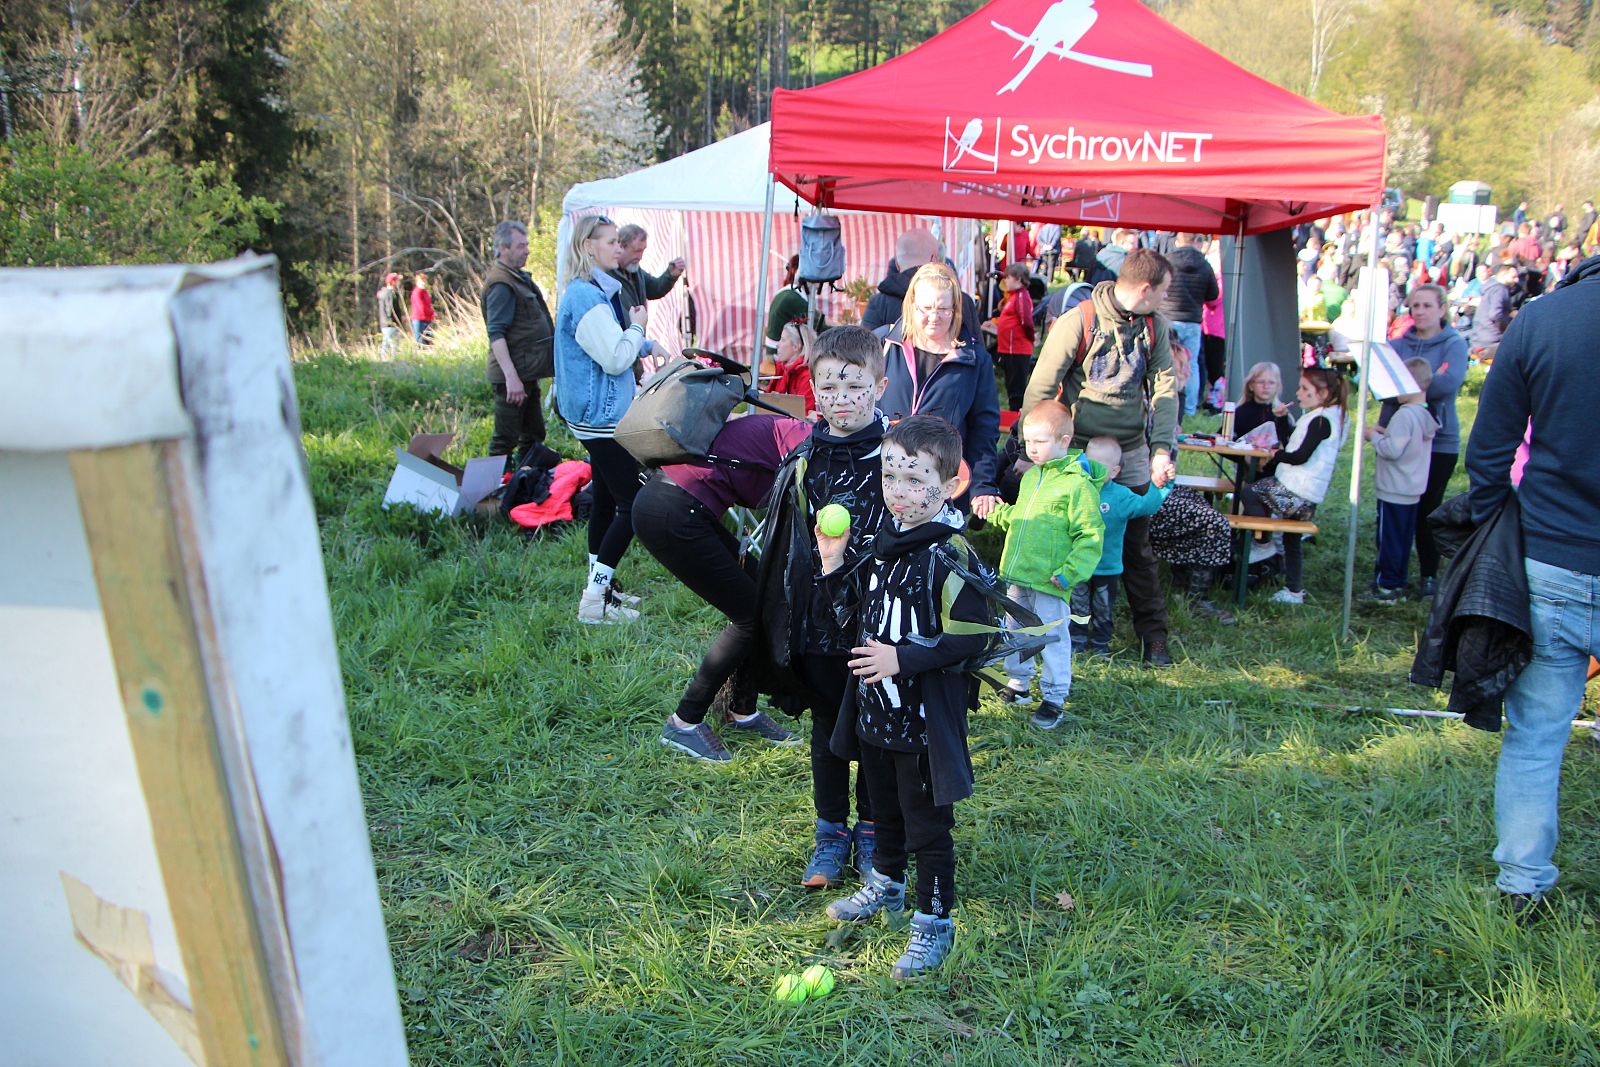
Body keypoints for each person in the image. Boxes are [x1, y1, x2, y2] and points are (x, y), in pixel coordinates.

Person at [816, 414, 985, 980]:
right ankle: (886, 884)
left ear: (950, 485)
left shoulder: (951, 554)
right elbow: (854, 618)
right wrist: (833, 563)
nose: (898, 490)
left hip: (922, 724)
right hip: (875, 714)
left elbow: (974, 637)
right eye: (890, 476)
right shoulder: (882, 542)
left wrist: (901, 659)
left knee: (927, 827)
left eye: (915, 479)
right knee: (882, 810)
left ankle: (934, 922)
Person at [1464, 250, 1600, 918]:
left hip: (1547, 553)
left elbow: (1488, 450)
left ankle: (1522, 882)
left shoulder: (1544, 319)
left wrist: (1499, 529)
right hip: (1551, 551)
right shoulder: (1543, 320)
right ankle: (1520, 879)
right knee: (1538, 730)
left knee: (1537, 735)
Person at [755, 326, 890, 889]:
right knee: (828, 727)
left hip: (876, 623)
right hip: (818, 623)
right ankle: (830, 833)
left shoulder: (895, 455)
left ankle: (874, 831)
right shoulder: (806, 458)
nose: (841, 399)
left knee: (877, 730)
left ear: (879, 386)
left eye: (854, 386)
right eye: (828, 387)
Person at [1019, 248, 1180, 666]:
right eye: (1164, 291)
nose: (1166, 299)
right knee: (1063, 542)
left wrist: (1162, 449)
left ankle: (1153, 636)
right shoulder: (1079, 320)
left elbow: (1164, 391)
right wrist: (1030, 449)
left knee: (1137, 548)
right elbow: (1041, 387)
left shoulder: (1154, 326)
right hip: (1078, 452)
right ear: (1145, 289)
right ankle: (1052, 633)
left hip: (1131, 452)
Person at [638, 410, 811, 761]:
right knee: (750, 616)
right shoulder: (805, 443)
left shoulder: (791, 429)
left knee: (761, 598)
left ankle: (740, 710)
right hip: (674, 512)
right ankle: (684, 722)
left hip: (679, 506)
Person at [983, 401, 1105, 729]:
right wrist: (997, 512)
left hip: (1051, 580)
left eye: (1040, 441)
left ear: (1064, 441)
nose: (1032, 449)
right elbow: (1024, 517)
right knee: (1015, 630)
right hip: (1019, 575)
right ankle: (1018, 683)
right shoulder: (1031, 477)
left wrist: (1070, 573)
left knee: (1052, 636)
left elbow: (1090, 536)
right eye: (1028, 442)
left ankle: (1054, 696)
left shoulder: (1077, 485)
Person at [553, 215, 648, 624]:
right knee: (633, 504)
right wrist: (639, 327)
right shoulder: (586, 297)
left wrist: (646, 341)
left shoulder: (589, 292)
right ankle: (594, 601)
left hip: (596, 417)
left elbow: (607, 343)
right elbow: (614, 358)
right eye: (611, 242)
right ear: (588, 246)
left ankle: (602, 590)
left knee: (607, 502)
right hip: (602, 420)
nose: (618, 248)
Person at [879, 263, 1003, 515]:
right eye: (926, 308)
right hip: (887, 477)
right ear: (911, 305)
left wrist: (983, 484)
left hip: (941, 482)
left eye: (943, 309)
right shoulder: (884, 344)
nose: (934, 317)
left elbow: (984, 427)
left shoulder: (974, 358)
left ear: (956, 309)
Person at [1385, 283, 1469, 597]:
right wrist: (1420, 384)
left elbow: (1448, 384)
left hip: (1439, 440)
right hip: (1399, 436)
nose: (1419, 311)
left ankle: (1429, 574)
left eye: (1427, 305)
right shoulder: (1397, 344)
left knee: (1428, 507)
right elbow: (1383, 386)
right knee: (1396, 505)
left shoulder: (1454, 344)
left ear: (1442, 309)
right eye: (1415, 305)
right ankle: (1392, 572)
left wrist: (1403, 387)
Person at [1239, 367, 1348, 605]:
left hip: (1297, 492)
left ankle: (1263, 543)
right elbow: (1292, 441)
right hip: (1307, 496)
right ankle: (1293, 591)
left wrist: (1276, 455)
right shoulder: (1326, 417)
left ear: (1322, 394)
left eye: (1304, 388)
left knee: (1250, 492)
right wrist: (1280, 419)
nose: (1298, 393)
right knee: (1291, 540)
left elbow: (1299, 456)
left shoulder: (1321, 421)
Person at [482, 220, 555, 470]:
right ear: (503, 248)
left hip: (526, 374)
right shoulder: (501, 284)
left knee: (533, 436)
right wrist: (511, 377)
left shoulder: (517, 278)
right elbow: (496, 334)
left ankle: (527, 484)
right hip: (512, 378)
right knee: (505, 440)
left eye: (527, 245)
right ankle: (492, 490)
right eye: (521, 246)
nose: (527, 250)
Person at [1363, 357, 1437, 601]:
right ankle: (1397, 581)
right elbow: (1407, 441)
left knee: (1389, 539)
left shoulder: (1404, 416)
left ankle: (1387, 587)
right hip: (1411, 488)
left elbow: (1392, 450)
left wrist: (1373, 436)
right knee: (1402, 539)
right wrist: (1386, 433)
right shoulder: (1424, 413)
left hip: (1394, 488)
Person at [862, 228, 982, 345]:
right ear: (933, 260)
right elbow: (976, 350)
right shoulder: (960, 300)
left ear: (897, 264)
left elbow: (864, 350)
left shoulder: (879, 303)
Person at [1157, 233, 1219, 419]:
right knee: (1190, 366)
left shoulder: (1167, 261)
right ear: (1196, 241)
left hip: (1168, 318)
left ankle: (1162, 403)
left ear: (1178, 240)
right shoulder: (1204, 265)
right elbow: (1213, 295)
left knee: (1163, 362)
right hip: (1192, 320)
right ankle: (1189, 408)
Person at [984, 263, 1037, 412]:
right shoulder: (1014, 296)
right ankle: (1015, 414)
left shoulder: (1021, 297)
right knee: (1011, 386)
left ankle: (1017, 416)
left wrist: (1031, 338)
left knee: (1016, 389)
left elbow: (1026, 322)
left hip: (1017, 349)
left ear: (1018, 279)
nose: (1005, 281)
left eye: (1008, 277)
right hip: (1010, 348)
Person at [611, 223, 686, 317]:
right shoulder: (607, 275)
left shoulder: (636, 272)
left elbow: (654, 289)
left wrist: (670, 275)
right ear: (621, 246)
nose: (640, 257)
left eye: (642, 251)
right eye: (637, 251)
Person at [764, 255, 826, 360]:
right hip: (779, 355)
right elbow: (818, 326)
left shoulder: (788, 293)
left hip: (777, 350)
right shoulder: (792, 298)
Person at [1234, 361, 1293, 444]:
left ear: (1277, 387)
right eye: (1261, 382)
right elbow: (1223, 439)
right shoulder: (1240, 412)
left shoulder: (1281, 414)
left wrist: (1282, 419)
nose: (1266, 386)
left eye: (1271, 383)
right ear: (1251, 386)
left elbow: (1288, 442)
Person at [1470, 261, 1517, 362]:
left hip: (1478, 338)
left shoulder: (1490, 288)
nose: (1516, 280)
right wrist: (1508, 329)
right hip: (1491, 340)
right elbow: (1495, 315)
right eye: (1513, 277)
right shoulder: (1500, 289)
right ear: (1503, 275)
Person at [377, 272, 403, 356]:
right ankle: (393, 361)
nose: (399, 283)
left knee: (385, 345)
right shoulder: (391, 294)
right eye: (397, 281)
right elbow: (390, 310)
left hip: (384, 324)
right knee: (394, 346)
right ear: (393, 282)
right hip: (390, 324)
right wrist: (396, 321)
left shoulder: (383, 293)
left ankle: (384, 360)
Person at [409, 273, 435, 346]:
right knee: (420, 341)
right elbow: (421, 307)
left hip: (427, 318)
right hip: (419, 319)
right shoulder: (417, 292)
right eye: (421, 281)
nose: (423, 283)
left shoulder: (424, 292)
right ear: (417, 282)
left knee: (429, 341)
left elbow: (428, 305)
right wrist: (431, 313)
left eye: (424, 281)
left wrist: (432, 315)